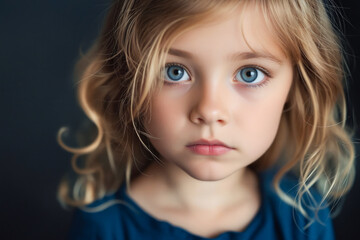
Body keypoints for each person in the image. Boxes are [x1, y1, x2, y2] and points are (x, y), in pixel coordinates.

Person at [57, 0, 355, 239]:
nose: (210, 111)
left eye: (249, 73)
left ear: (295, 85)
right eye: (174, 71)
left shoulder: (302, 216)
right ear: (128, 80)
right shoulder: (103, 227)